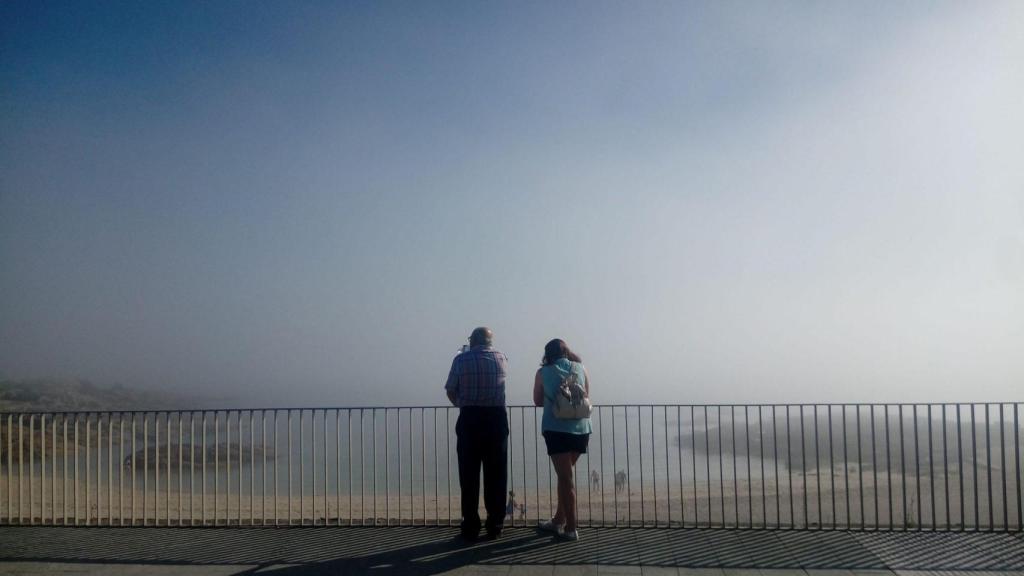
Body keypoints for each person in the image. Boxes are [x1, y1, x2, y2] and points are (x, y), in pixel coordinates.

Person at [445, 326, 509, 541]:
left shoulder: (460, 360)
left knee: (469, 474)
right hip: (496, 419)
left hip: (470, 418)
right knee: (496, 474)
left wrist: (462, 403)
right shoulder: (502, 358)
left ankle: (471, 525)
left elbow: (450, 389)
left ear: (473, 340)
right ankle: (495, 523)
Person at [533, 338, 591, 541]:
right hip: (581, 428)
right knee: (564, 475)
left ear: (547, 354)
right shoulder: (581, 368)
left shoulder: (543, 372)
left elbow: (537, 401)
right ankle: (558, 519)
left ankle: (571, 528)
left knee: (566, 478)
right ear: (567, 352)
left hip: (556, 429)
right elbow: (586, 394)